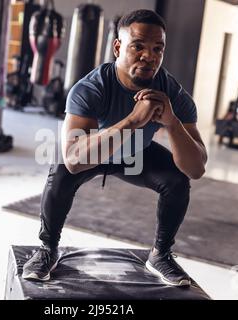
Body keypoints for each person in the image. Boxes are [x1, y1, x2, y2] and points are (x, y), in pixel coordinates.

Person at [22, 9, 207, 287]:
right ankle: (48, 248)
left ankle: (160, 254)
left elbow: (196, 168)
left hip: (137, 154)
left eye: (158, 49)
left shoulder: (172, 92)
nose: (149, 56)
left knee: (177, 180)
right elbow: (74, 159)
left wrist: (172, 122)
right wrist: (134, 120)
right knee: (60, 170)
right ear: (118, 47)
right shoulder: (91, 88)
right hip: (96, 151)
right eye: (138, 47)